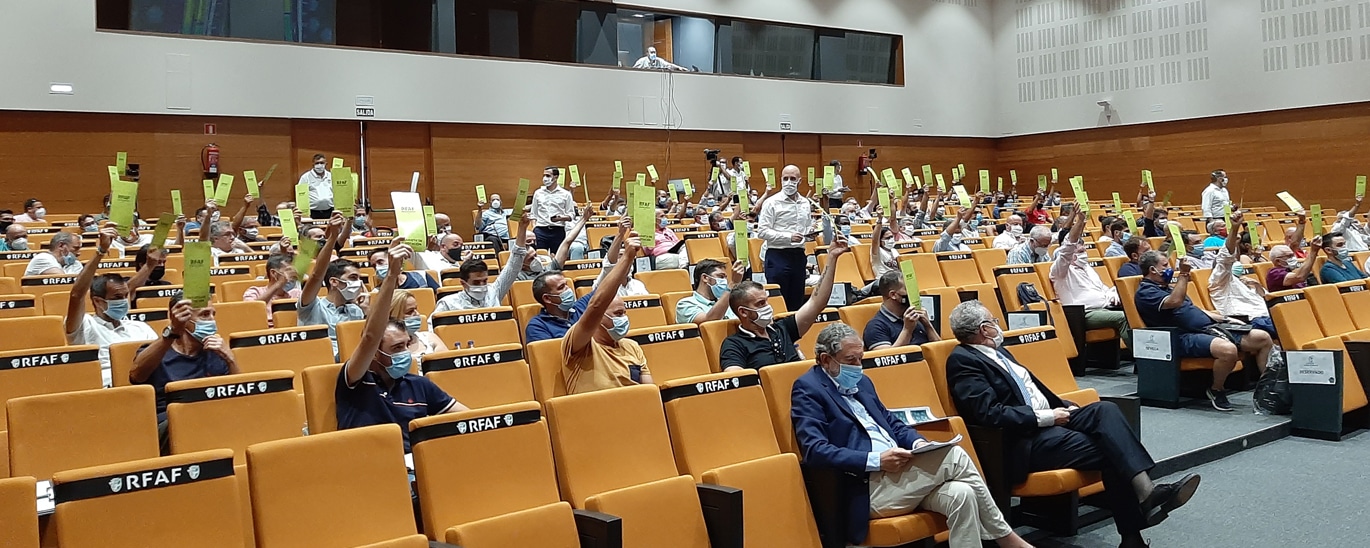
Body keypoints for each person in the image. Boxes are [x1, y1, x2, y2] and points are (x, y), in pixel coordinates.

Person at [944, 301, 1199, 548]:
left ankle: (1146, 496)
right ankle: (1137, 520)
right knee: (1111, 449)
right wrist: (1048, 417)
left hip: (1051, 418)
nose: (999, 325)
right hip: (1025, 439)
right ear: (985, 329)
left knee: (1105, 410)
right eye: (994, 321)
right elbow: (988, 413)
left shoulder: (1000, 351)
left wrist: (1063, 407)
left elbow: (1029, 391)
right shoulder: (963, 360)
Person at [792, 322, 1031, 548]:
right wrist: (876, 460)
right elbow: (815, 450)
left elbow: (893, 424)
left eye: (860, 359)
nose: (858, 366)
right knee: (955, 455)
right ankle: (1006, 538)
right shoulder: (808, 389)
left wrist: (918, 443)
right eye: (850, 360)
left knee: (963, 494)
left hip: (899, 474)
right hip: (867, 487)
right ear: (826, 360)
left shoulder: (863, 382)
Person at [337, 237, 467, 453]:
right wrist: (391, 276)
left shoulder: (419, 384)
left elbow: (468, 418)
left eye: (406, 345)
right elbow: (370, 336)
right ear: (375, 354)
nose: (406, 353)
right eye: (396, 348)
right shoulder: (355, 380)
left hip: (416, 466)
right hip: (368, 467)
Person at [1134, 251, 1273, 411]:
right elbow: (1175, 302)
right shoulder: (1146, 292)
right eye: (1165, 265)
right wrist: (1184, 274)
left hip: (1208, 328)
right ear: (1152, 270)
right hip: (1181, 336)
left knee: (1262, 338)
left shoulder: (1168, 287)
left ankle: (1267, 388)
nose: (1170, 268)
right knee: (1228, 351)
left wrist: (1224, 318)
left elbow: (1192, 309)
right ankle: (1216, 389)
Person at [719, 238, 849, 370]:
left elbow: (816, 303)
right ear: (743, 312)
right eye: (760, 303)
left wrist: (831, 257)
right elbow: (739, 381)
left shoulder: (782, 328)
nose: (768, 307)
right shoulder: (734, 344)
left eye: (766, 301)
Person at [130, 295, 236, 448]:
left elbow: (240, 396)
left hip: (214, 418)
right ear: (183, 319)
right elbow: (136, 376)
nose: (212, 321)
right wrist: (173, 331)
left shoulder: (217, 351)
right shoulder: (158, 350)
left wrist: (230, 359)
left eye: (213, 314)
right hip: (168, 425)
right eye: (205, 315)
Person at [64, 224, 158, 385]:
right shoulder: (84, 325)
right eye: (117, 297)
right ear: (98, 301)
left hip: (148, 386)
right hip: (109, 388)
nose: (123, 301)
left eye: (125, 296)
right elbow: (76, 295)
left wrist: (150, 265)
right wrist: (101, 250)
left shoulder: (140, 327)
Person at [562, 234, 653, 394]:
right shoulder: (579, 344)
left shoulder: (632, 347)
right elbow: (596, 305)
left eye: (624, 313)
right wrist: (627, 257)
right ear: (599, 318)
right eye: (618, 313)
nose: (624, 318)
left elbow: (649, 392)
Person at [1050, 207, 1132, 347]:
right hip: (1084, 314)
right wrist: (1080, 220)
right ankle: (1143, 361)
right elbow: (1068, 247)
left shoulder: (1087, 268)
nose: (1084, 253)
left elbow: (1103, 288)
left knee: (1136, 310)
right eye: (1079, 251)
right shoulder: (1060, 271)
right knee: (1124, 318)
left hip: (1105, 307)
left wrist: (1113, 295)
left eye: (1084, 250)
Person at [297, 213, 366, 359]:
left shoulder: (356, 311)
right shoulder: (312, 306)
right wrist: (332, 237)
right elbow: (316, 276)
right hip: (321, 360)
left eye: (359, 278)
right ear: (334, 282)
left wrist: (367, 311)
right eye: (353, 278)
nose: (358, 283)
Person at [432, 215, 531, 315]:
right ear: (463, 283)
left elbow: (513, 266)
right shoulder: (448, 304)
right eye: (476, 282)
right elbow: (431, 328)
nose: (482, 286)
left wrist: (522, 228)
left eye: (484, 281)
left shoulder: (493, 292)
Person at [757, 165, 816, 311]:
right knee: (778, 302)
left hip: (798, 255)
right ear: (781, 180)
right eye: (785, 178)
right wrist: (788, 237)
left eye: (793, 179)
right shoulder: (771, 202)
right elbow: (762, 232)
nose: (789, 182)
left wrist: (810, 233)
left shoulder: (805, 203)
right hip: (778, 256)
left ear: (799, 181)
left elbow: (805, 228)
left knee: (796, 301)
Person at [1208, 211, 1276, 337]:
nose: (1235, 263)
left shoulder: (1244, 281)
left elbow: (1268, 299)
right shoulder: (1218, 282)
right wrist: (1234, 229)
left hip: (1268, 315)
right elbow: (1225, 259)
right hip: (1249, 321)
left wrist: (1257, 286)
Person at [863, 270, 939, 349]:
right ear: (893, 295)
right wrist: (907, 330)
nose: (914, 293)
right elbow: (888, 358)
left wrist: (928, 325)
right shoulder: (875, 327)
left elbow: (938, 350)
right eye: (908, 289)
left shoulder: (916, 317)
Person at [675, 258, 746, 324]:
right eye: (721, 276)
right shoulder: (685, 304)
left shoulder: (728, 302)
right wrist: (733, 284)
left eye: (725, 278)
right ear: (705, 278)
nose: (725, 281)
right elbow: (709, 323)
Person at [388, 289, 448, 362]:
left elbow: (446, 365)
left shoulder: (430, 338)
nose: (417, 314)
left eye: (416, 309)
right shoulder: (386, 347)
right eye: (410, 311)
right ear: (393, 315)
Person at [242, 254, 303, 327]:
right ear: (273, 273)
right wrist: (278, 284)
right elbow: (251, 311)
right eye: (289, 272)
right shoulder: (254, 292)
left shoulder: (297, 294)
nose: (293, 276)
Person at [532, 166, 576, 251]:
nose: (545, 178)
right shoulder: (538, 193)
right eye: (544, 175)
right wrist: (534, 228)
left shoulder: (566, 194)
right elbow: (534, 214)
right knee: (541, 257)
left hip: (558, 230)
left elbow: (571, 215)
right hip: (541, 230)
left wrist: (560, 218)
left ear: (555, 177)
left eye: (548, 176)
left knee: (557, 258)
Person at [368, 248, 439, 291]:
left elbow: (441, 297)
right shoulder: (377, 292)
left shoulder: (422, 276)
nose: (377, 268)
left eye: (380, 262)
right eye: (374, 266)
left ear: (394, 260)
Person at [299, 153, 334, 220]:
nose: (319, 165)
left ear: (326, 163)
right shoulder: (305, 177)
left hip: (329, 210)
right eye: (317, 163)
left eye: (322, 163)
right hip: (313, 212)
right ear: (313, 164)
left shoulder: (331, 176)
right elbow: (301, 195)